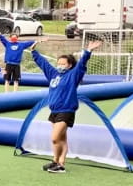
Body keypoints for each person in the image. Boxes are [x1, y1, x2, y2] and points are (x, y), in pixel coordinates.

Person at [30, 38, 102, 173]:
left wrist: (88, 51)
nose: (60, 66)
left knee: (55, 138)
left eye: (63, 64)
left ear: (69, 65)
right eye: (58, 63)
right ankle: (59, 163)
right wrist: (33, 50)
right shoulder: (53, 74)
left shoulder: (73, 75)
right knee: (61, 139)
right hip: (54, 110)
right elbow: (43, 64)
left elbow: (81, 64)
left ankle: (57, 163)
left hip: (66, 110)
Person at [0, 20, 37, 92]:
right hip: (9, 64)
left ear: (17, 38)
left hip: (17, 65)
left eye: (15, 37)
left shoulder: (21, 45)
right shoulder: (7, 43)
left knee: (16, 81)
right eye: (12, 37)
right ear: (10, 38)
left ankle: (15, 94)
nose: (14, 38)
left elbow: (32, 41)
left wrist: (38, 41)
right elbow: (0, 36)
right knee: (7, 80)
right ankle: (6, 94)